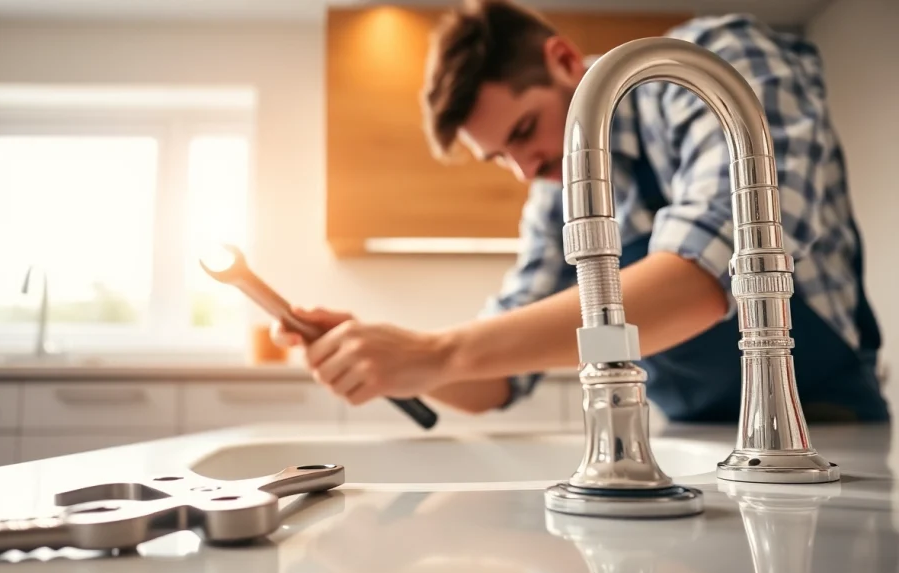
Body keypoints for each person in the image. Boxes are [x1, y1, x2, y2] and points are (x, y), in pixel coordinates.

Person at [273, 0, 890, 424]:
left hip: (823, 430)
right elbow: (499, 379)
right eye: (499, 158)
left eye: (523, 131)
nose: (524, 171)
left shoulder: (707, 66)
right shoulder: (557, 196)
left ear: (565, 61)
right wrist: (383, 355)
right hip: (694, 438)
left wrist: (437, 352)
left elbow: (710, 275)